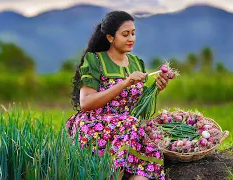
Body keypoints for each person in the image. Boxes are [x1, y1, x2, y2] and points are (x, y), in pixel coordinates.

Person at [65, 11, 169, 180]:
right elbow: (86, 103)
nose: (131, 39)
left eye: (133, 33)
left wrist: (156, 89)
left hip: (128, 127)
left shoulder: (137, 63)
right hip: (95, 125)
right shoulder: (95, 61)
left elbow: (137, 105)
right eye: (125, 34)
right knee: (131, 125)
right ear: (110, 38)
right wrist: (124, 83)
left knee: (151, 152)